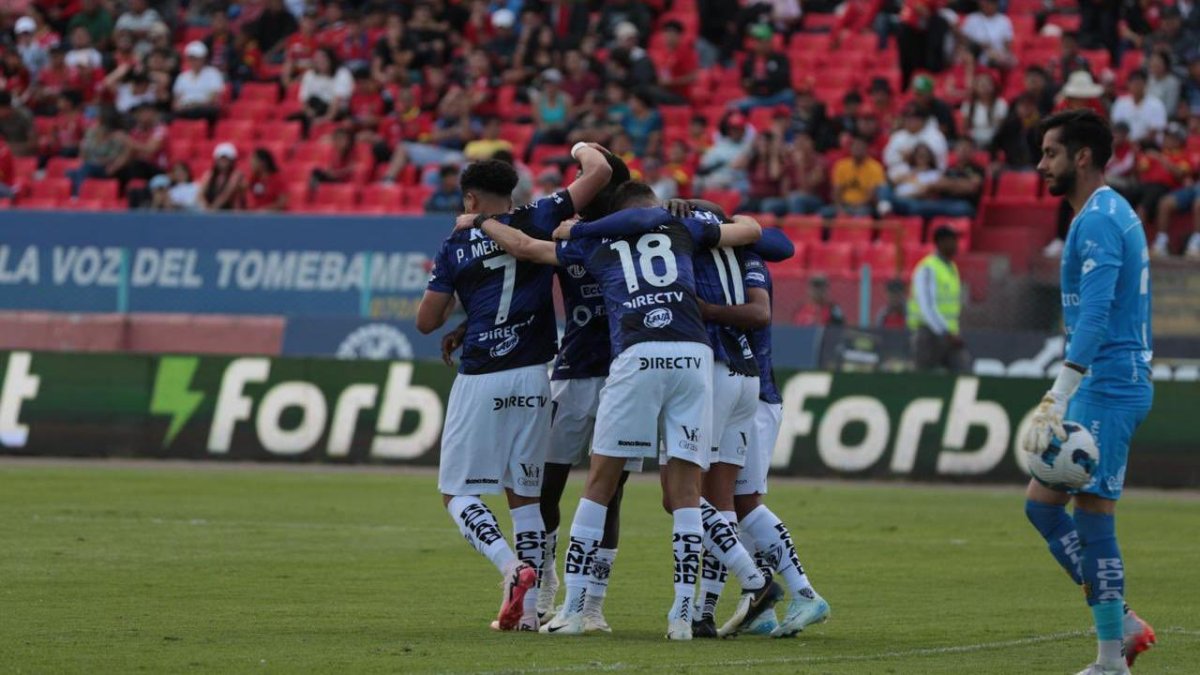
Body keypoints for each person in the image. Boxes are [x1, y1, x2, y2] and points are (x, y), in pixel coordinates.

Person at [470, 181, 779, 640]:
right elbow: (756, 232)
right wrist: (699, 217)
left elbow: (528, 249)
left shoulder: (596, 244)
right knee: (686, 489)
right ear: (652, 209)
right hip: (694, 357)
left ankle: (575, 606)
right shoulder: (682, 230)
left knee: (600, 481)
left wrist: (484, 222)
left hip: (638, 354)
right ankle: (685, 615)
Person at [414, 145, 614, 633]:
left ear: (470, 198)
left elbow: (425, 321)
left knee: (456, 493)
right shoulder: (540, 214)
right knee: (524, 493)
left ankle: (511, 569)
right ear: (510, 193)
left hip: (481, 374)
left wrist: (464, 307)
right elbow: (600, 171)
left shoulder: (454, 244)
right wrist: (580, 149)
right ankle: (525, 614)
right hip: (533, 374)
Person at [1024, 108, 1157, 675]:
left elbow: (1099, 313)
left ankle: (1110, 661)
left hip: (1109, 383)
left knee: (1094, 516)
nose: (1040, 164)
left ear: (1081, 156)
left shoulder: (1100, 218)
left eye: (1050, 153)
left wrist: (1058, 392)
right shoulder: (1099, 214)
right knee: (1041, 505)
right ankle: (1122, 621)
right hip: (1101, 381)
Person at [718, 234, 831, 638]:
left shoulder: (747, 261)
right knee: (728, 503)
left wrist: (705, 311)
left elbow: (759, 313)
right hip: (742, 395)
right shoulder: (722, 262)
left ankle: (804, 592)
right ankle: (759, 607)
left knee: (744, 503)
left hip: (757, 396)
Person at [907, 225, 967, 372]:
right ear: (940, 243)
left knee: (964, 374)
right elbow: (927, 306)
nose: (956, 245)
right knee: (925, 380)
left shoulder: (952, 268)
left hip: (949, 334)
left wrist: (952, 332)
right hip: (928, 334)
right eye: (952, 240)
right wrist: (945, 331)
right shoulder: (928, 268)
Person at [824, 133, 885, 218]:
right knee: (825, 213)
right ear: (851, 149)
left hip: (864, 206)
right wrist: (840, 208)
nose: (858, 149)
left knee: (861, 214)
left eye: (861, 147)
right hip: (845, 205)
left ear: (866, 149)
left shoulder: (875, 167)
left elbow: (872, 195)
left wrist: (858, 205)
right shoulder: (841, 166)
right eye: (855, 146)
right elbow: (836, 192)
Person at [735, 24, 793, 112]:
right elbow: (744, 79)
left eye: (761, 41)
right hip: (758, 98)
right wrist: (747, 84)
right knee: (732, 107)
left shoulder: (780, 58)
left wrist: (759, 81)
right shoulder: (749, 60)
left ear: (769, 42)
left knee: (789, 95)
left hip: (776, 96)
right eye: (756, 41)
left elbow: (783, 79)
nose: (758, 44)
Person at [172, 41, 225, 125]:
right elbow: (176, 101)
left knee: (207, 111)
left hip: (204, 109)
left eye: (196, 59)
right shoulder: (182, 77)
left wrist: (196, 104)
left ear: (203, 59)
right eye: (191, 58)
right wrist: (182, 106)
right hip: (186, 109)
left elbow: (213, 99)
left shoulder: (213, 73)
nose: (193, 61)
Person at [1111, 70, 1168, 144]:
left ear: (1145, 84)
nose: (1136, 86)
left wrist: (1135, 143)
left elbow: (1154, 132)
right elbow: (1115, 127)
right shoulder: (1120, 102)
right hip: (1123, 144)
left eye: (1139, 84)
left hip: (1147, 145)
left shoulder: (1156, 104)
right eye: (1133, 83)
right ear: (1128, 84)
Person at [198, 142, 245, 211]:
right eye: (221, 158)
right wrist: (205, 206)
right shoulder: (209, 174)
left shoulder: (236, 174)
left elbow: (226, 194)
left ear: (232, 160)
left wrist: (212, 209)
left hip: (229, 212)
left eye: (226, 159)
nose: (223, 161)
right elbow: (200, 194)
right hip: (211, 211)